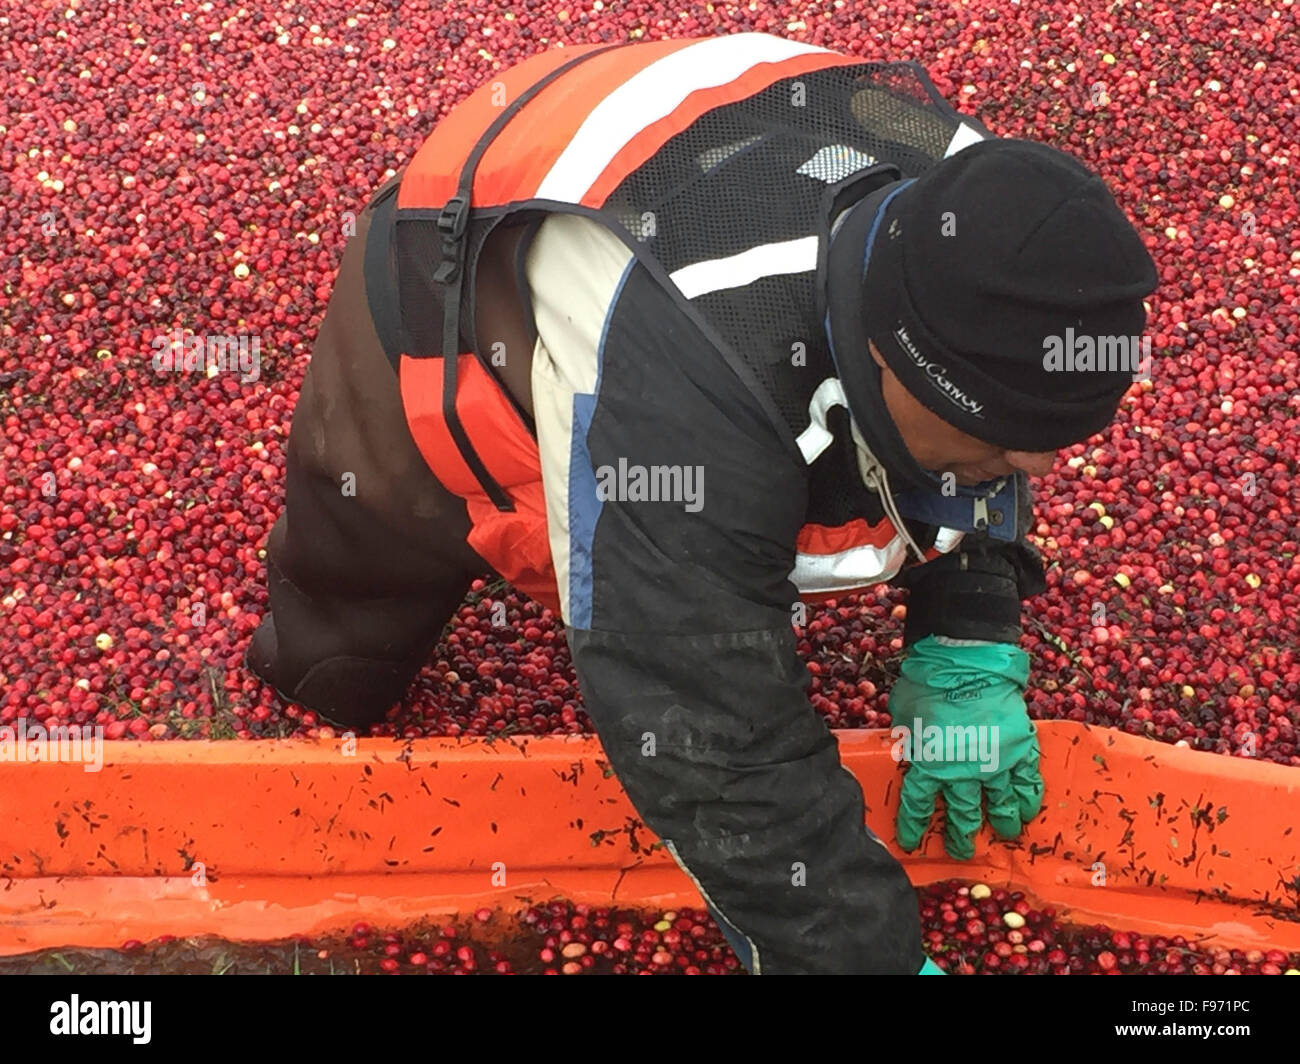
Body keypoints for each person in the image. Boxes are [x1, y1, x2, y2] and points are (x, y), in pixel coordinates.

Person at [246, 33, 1158, 974]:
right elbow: (707, 737)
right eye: (1004, 446)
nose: (1036, 472)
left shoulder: (992, 221)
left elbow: (985, 400)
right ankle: (311, 673)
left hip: (716, 133)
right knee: (350, 619)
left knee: (839, 490)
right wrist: (858, 957)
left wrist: (967, 628)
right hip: (459, 244)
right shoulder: (687, 389)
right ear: (890, 363)